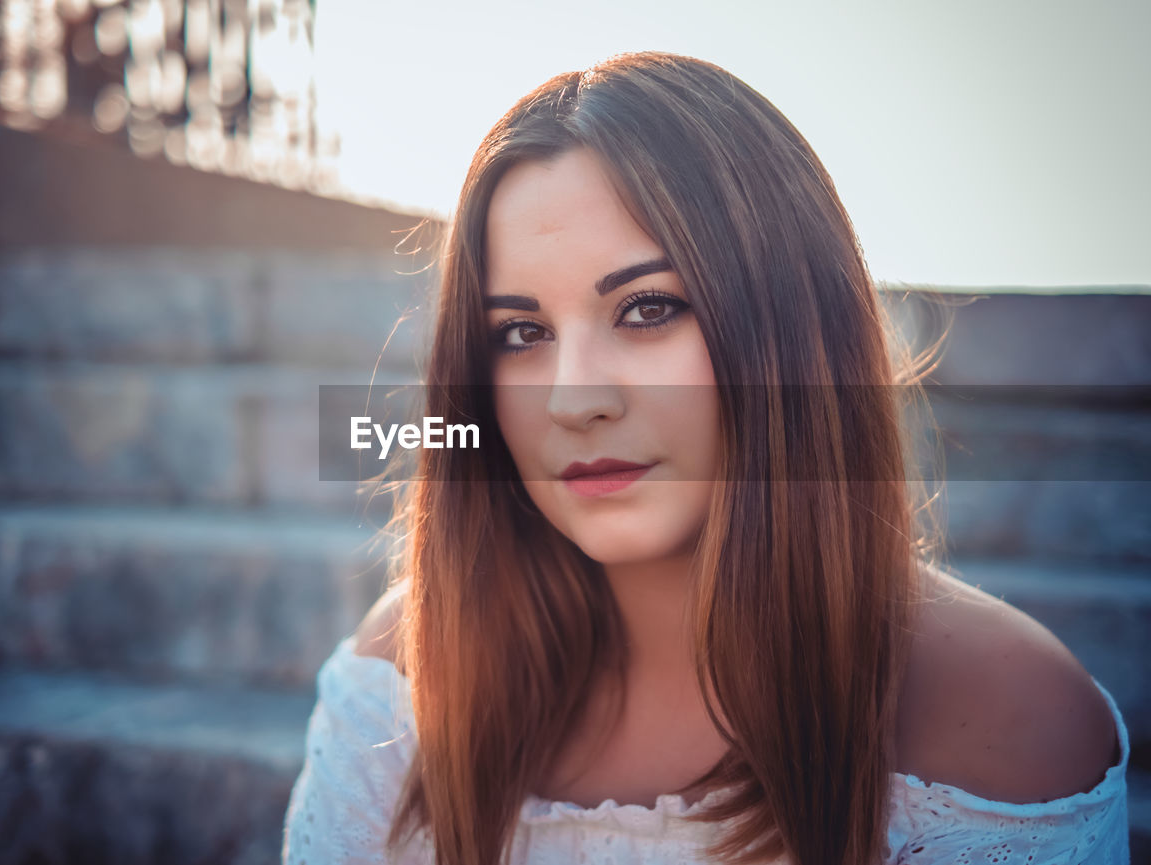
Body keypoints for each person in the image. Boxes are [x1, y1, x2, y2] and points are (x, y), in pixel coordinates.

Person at [282, 51, 1129, 865]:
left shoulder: (1004, 716)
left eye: (648, 308)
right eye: (521, 333)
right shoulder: (408, 671)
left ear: (791, 326)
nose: (575, 399)